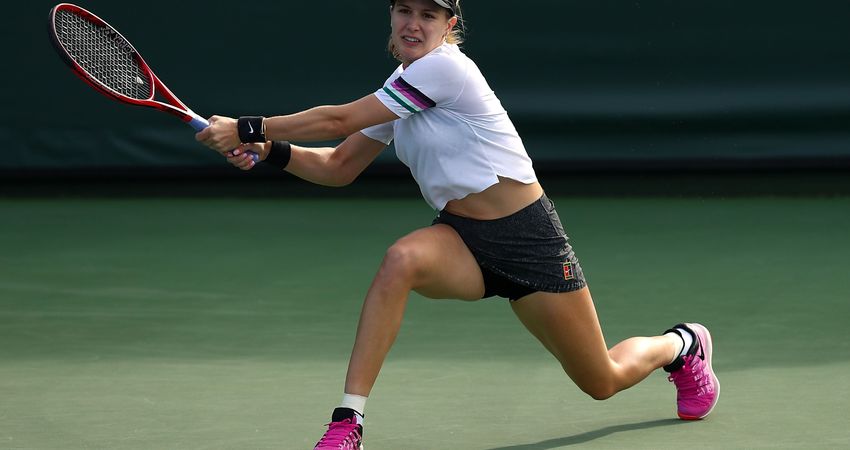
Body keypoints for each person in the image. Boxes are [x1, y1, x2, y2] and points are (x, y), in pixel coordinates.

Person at [196, 0, 720, 448]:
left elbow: (337, 120)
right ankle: (348, 422)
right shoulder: (398, 87)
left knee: (602, 380)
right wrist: (269, 149)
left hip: (529, 238)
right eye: (404, 10)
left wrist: (246, 126)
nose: (414, 23)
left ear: (450, 26)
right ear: (392, 16)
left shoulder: (447, 69)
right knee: (401, 259)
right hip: (462, 240)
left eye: (429, 14)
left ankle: (683, 345)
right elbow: (338, 166)